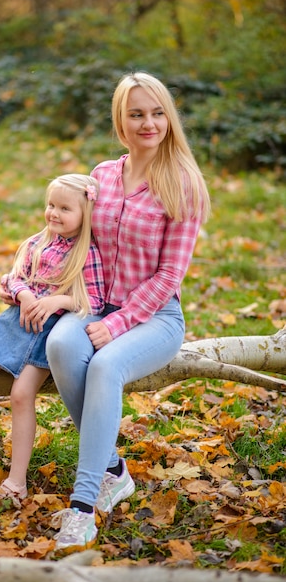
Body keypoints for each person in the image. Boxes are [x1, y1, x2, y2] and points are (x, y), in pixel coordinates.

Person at [47, 71, 211, 550]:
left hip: (156, 318)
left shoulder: (183, 185)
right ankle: (114, 470)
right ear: (121, 119)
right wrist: (51, 290)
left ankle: (81, 508)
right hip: (96, 305)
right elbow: (74, 243)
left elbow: (169, 277)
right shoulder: (101, 176)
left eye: (158, 113)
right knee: (60, 344)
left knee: (104, 365)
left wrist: (117, 323)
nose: (149, 123)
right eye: (137, 113)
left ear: (169, 118)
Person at [0, 174, 105, 505]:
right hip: (17, 319)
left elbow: (96, 300)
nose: (54, 213)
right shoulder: (37, 242)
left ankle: (17, 480)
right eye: (51, 205)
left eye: (65, 208)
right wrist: (24, 294)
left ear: (86, 214)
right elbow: (10, 281)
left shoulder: (87, 253)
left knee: (21, 394)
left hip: (51, 330)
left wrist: (57, 301)